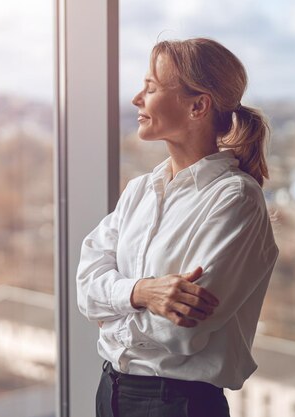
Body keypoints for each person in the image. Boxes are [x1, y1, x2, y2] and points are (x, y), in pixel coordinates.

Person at [76, 38, 280, 417]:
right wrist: (140, 292)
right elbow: (85, 288)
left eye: (151, 88)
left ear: (198, 105)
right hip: (111, 393)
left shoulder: (235, 199)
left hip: (179, 405)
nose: (138, 98)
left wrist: (111, 312)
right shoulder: (140, 190)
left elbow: (181, 332)